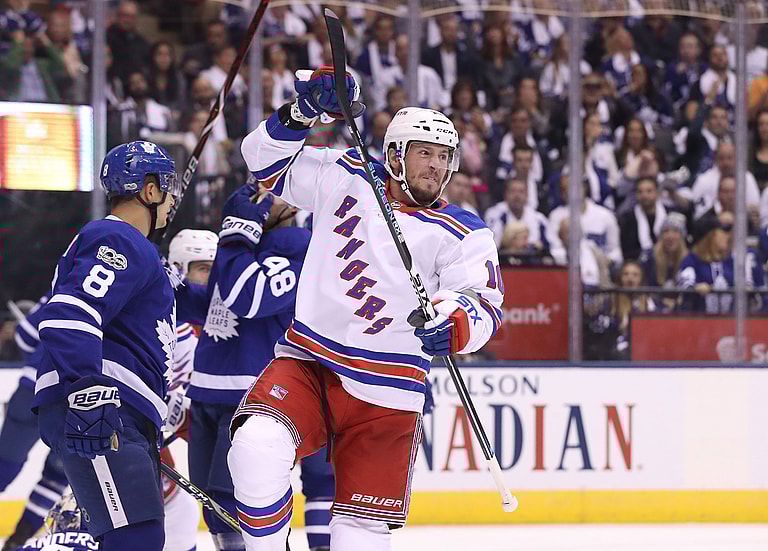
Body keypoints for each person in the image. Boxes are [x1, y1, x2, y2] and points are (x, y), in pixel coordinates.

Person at [229, 72, 502, 550]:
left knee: (362, 536)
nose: (435, 166)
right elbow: (260, 161)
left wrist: (456, 324)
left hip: (390, 391)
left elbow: (482, 302)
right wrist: (302, 113)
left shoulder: (463, 230)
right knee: (255, 450)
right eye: (424, 152)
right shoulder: (345, 173)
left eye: (443, 157)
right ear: (395, 153)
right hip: (311, 360)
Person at [31, 140, 179, 551]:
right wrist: (85, 391)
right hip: (101, 407)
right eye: (165, 187)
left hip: (117, 410)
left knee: (134, 537)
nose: (170, 201)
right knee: (136, 540)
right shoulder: (119, 238)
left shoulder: (131, 247)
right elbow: (69, 314)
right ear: (148, 190)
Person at [174, 186, 334, 551]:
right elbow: (216, 302)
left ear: (293, 200)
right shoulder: (242, 247)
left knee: (233, 494)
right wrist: (169, 285)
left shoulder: (300, 252)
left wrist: (237, 231)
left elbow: (247, 298)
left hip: (251, 394)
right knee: (211, 500)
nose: (260, 198)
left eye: (272, 191)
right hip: (207, 390)